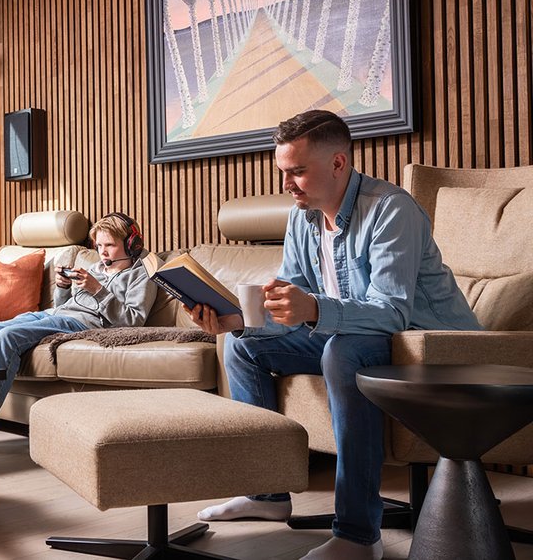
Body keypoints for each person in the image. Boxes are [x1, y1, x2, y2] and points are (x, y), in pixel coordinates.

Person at [188, 110, 481, 560]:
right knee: (245, 346)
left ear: (339, 163)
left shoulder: (390, 209)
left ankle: (359, 536)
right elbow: (289, 302)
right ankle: (268, 495)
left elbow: (393, 314)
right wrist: (235, 321)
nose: (288, 183)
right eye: (283, 172)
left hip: (428, 344)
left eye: (298, 171)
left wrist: (314, 308)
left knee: (342, 353)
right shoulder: (302, 218)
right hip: (364, 336)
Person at [0, 212, 158, 432]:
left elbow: (133, 320)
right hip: (55, 314)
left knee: (7, 338)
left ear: (132, 244)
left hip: (83, 324)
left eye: (109, 245)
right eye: (99, 245)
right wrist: (63, 287)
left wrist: (98, 290)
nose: (102, 252)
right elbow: (67, 304)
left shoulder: (142, 274)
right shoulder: (97, 268)